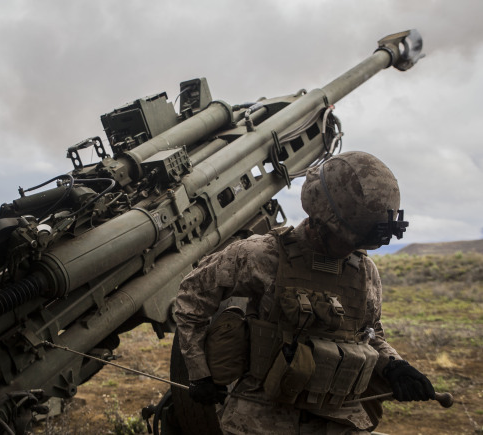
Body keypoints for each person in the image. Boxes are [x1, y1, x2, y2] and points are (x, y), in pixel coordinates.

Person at [174, 151, 435, 434]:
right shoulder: (259, 255)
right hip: (260, 420)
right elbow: (190, 301)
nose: (352, 249)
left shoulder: (365, 272)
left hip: (338, 420)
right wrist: (200, 375)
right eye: (346, 239)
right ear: (321, 220)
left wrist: (395, 366)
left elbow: (370, 334)